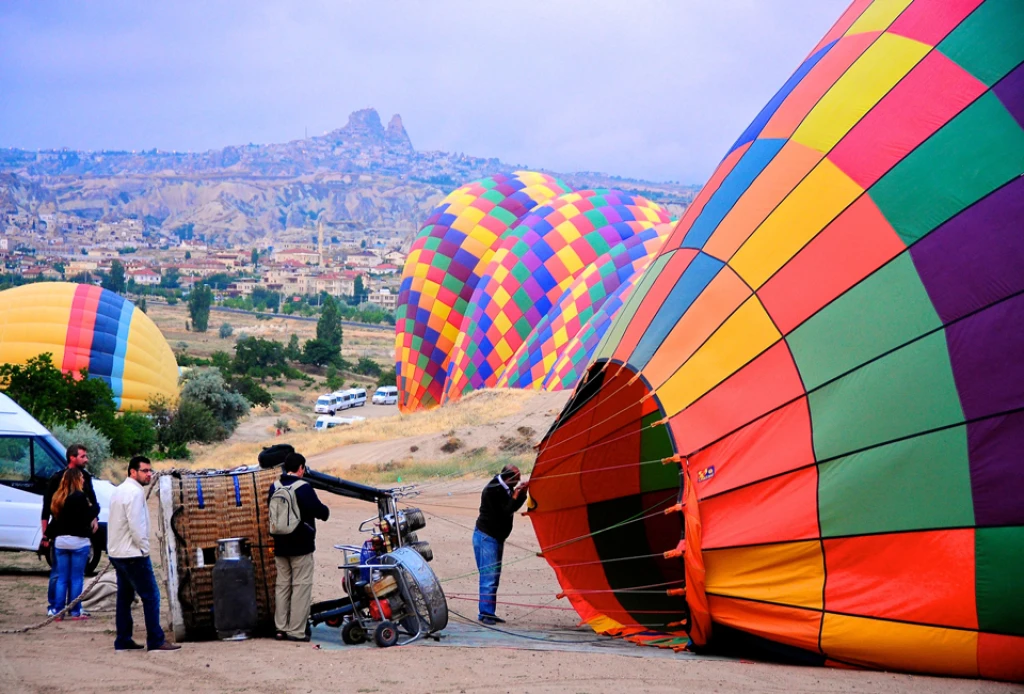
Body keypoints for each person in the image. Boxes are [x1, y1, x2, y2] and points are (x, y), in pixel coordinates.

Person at [107, 455, 180, 652]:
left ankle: (123, 639)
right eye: (145, 471)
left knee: (124, 597)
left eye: (150, 470)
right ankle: (155, 640)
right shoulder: (134, 493)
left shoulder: (119, 490)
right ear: (132, 472)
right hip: (132, 554)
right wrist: (144, 549)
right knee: (151, 596)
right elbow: (136, 525)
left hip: (117, 552)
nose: (149, 474)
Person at [268, 452, 330, 642]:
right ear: (301, 468)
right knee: (301, 586)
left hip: (279, 544)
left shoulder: (274, 487)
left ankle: (280, 628)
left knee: (282, 586)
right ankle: (296, 630)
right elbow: (321, 512)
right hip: (301, 545)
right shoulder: (303, 487)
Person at [41, 444, 98, 617]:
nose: (86, 459)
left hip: (61, 537)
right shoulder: (58, 480)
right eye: (82, 456)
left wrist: (47, 533)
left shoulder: (82, 481)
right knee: (70, 576)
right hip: (77, 537)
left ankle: (57, 609)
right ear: (72, 457)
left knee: (62, 575)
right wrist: (93, 513)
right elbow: (46, 510)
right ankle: (70, 608)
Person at [473, 465, 529, 625]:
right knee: (488, 576)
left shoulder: (505, 486)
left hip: (496, 538)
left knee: (494, 576)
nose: (517, 481)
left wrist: (522, 493)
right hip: (486, 537)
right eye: (516, 479)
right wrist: (517, 493)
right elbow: (506, 510)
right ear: (509, 478)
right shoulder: (493, 490)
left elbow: (512, 508)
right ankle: (485, 613)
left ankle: (488, 612)